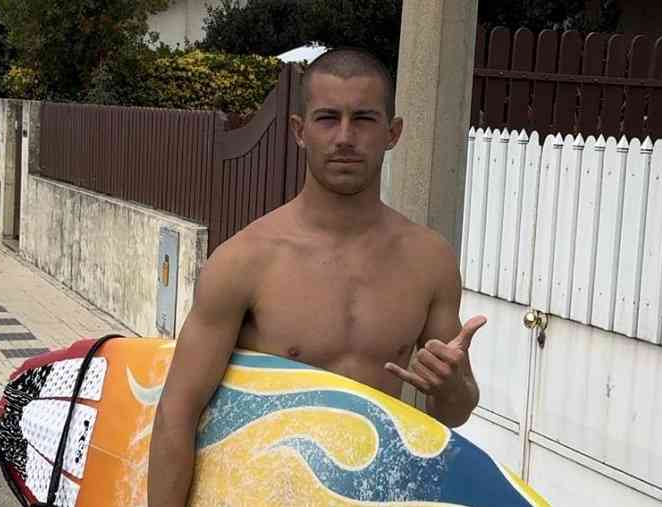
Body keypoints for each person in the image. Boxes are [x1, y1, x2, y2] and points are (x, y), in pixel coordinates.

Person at [147, 47, 487, 506]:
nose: (345, 137)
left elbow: (451, 413)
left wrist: (455, 385)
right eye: (328, 118)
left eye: (364, 119)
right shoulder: (245, 260)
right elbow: (177, 412)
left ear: (393, 132)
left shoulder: (430, 260)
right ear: (299, 131)